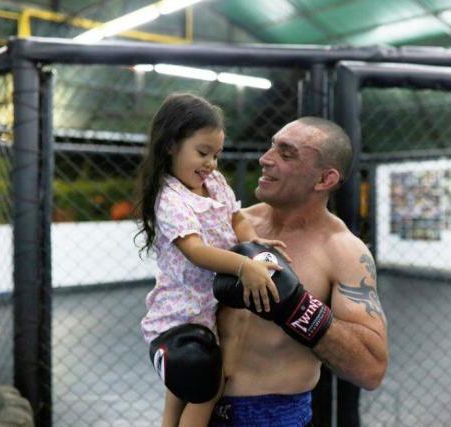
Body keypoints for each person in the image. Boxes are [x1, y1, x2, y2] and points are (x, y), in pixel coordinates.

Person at [211, 117, 389, 427]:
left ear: (324, 179)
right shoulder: (229, 224)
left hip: (272, 415)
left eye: (286, 153)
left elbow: (370, 369)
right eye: (271, 146)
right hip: (197, 405)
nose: (265, 159)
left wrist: (298, 309)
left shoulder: (343, 251)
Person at [135, 93, 289, 427]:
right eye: (202, 153)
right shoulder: (170, 198)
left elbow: (237, 218)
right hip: (181, 311)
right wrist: (244, 265)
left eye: (216, 155)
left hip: (209, 306)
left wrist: (252, 243)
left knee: (185, 386)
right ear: (170, 145)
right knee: (206, 389)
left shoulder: (214, 183)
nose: (211, 164)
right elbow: (195, 250)